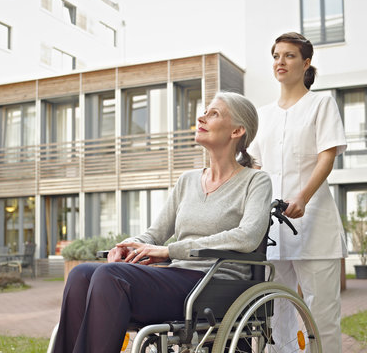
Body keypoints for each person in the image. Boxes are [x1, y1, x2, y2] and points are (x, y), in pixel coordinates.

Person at [53, 91, 273, 353]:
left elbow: (247, 236)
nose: (201, 117)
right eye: (204, 111)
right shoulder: (188, 180)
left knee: (111, 276)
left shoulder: (256, 181)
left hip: (214, 284)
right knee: (81, 274)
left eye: (213, 113)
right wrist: (132, 245)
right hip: (177, 277)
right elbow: (154, 234)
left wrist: (171, 251)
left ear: (237, 130)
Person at [248, 32, 347, 352]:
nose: (281, 61)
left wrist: (303, 196)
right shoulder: (263, 115)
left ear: (306, 63)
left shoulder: (321, 104)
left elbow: (327, 156)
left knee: (322, 316)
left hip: (315, 224)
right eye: (276, 55)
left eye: (289, 56)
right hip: (274, 229)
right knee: (276, 317)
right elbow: (256, 166)